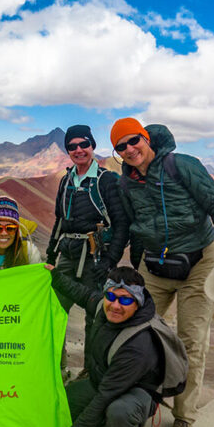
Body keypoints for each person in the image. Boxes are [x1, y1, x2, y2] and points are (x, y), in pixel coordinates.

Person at [112, 118, 214, 427]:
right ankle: (138, 404)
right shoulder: (126, 185)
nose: (129, 149)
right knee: (137, 332)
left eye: (133, 140)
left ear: (145, 137)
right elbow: (133, 227)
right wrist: (129, 271)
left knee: (191, 340)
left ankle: (183, 418)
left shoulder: (182, 166)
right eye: (120, 146)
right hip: (154, 263)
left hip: (199, 261)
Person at [50, 266, 180, 427]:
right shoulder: (103, 306)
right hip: (104, 382)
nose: (116, 305)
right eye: (111, 296)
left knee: (119, 410)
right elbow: (81, 294)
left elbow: (105, 396)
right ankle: (103, 425)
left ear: (137, 303)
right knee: (65, 402)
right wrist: (54, 275)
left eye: (126, 300)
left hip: (136, 393)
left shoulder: (139, 343)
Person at [46, 125, 129, 313]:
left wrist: (109, 261)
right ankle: (57, 345)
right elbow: (60, 220)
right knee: (54, 311)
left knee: (95, 315)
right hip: (66, 257)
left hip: (95, 259)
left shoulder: (107, 180)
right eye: (72, 146)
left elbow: (121, 224)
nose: (78, 150)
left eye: (84, 144)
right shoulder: (65, 180)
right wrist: (51, 253)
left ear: (92, 146)